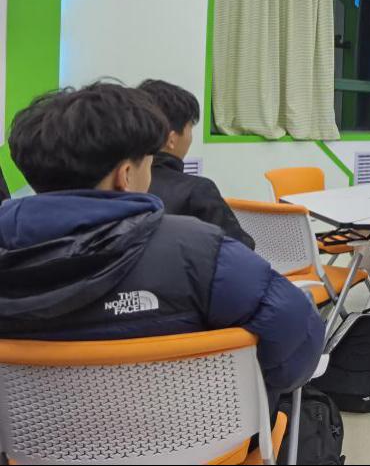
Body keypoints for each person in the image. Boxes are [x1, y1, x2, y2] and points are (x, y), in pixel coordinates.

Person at [0, 82, 324, 414]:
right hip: (202, 436)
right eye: (148, 162)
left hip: (33, 440)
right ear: (125, 175)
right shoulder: (201, 252)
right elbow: (297, 346)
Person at [138, 79, 254, 249]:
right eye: (190, 129)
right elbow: (241, 249)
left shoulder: (117, 183)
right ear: (171, 140)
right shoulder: (198, 191)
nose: (190, 138)